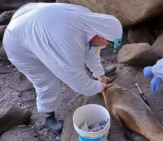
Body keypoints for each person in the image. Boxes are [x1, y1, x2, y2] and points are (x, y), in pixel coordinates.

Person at [3, 2, 123, 133]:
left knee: (86, 48)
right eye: (109, 43)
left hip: (35, 23)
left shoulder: (90, 23)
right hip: (19, 43)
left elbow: (92, 49)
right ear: (101, 35)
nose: (107, 46)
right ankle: (48, 114)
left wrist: (99, 73)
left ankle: (97, 73)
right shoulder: (69, 42)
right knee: (46, 81)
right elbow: (76, 80)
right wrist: (100, 87)